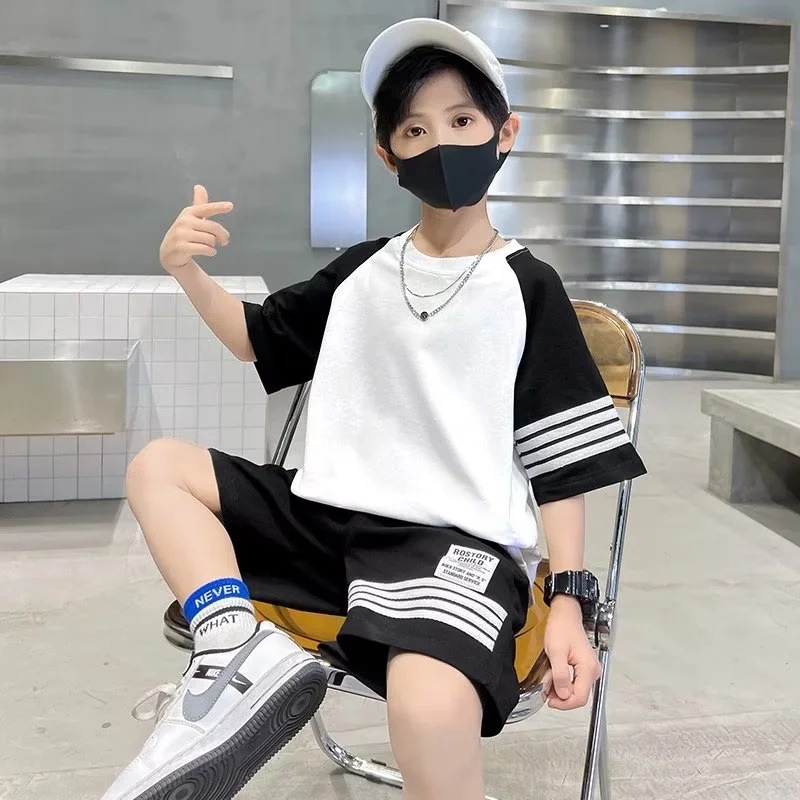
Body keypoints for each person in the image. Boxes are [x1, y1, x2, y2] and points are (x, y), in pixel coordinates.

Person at [100, 17, 646, 800]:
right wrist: (186, 271)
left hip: (450, 545)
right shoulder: (362, 270)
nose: (441, 144)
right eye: (415, 131)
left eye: (462, 120)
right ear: (389, 156)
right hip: (324, 520)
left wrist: (569, 603)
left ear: (505, 133)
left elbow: (563, 463)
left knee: (426, 710)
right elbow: (258, 339)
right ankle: (233, 654)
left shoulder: (529, 289)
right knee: (161, 468)